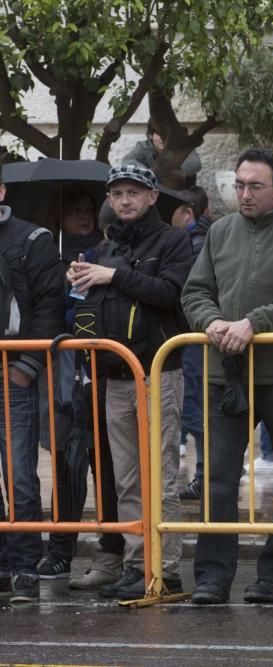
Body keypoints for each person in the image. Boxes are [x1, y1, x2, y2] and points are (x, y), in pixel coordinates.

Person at [181, 147, 273, 605]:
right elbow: (195, 292)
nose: (243, 194)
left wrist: (254, 322)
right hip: (224, 375)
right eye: (239, 185)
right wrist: (211, 322)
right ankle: (211, 577)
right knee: (218, 479)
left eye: (254, 186)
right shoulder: (220, 232)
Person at [67, 165, 194, 599]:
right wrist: (81, 286)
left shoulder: (174, 241)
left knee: (161, 476)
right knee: (126, 479)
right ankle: (138, 564)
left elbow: (171, 294)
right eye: (117, 193)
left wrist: (113, 277)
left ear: (153, 196)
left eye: (133, 192)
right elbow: (92, 315)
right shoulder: (104, 248)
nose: (124, 200)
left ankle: (168, 568)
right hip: (115, 375)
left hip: (159, 372)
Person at [34, 187, 125, 588]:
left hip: (104, 374)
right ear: (59, 217)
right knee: (67, 465)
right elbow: (52, 314)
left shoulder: (107, 253)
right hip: (65, 378)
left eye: (88, 209)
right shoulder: (49, 258)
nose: (83, 216)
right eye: (73, 211)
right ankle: (59, 550)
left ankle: (112, 550)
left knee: (107, 466)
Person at [0, 170, 65, 603]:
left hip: (12, 374)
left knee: (20, 476)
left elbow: (50, 305)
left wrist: (27, 363)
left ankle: (23, 566)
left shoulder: (32, 240)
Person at [170, 187, 213, 502]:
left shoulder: (195, 245)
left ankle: (206, 475)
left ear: (187, 213)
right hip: (188, 339)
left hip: (194, 338)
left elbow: (190, 293)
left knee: (195, 409)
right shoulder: (196, 241)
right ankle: (206, 474)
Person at [123, 120, 202, 188]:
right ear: (150, 135)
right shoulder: (143, 147)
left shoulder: (182, 145)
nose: (164, 138)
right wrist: (149, 174)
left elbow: (194, 164)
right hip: (152, 192)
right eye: (159, 133)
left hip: (182, 192)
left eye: (167, 134)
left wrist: (168, 172)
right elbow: (127, 162)